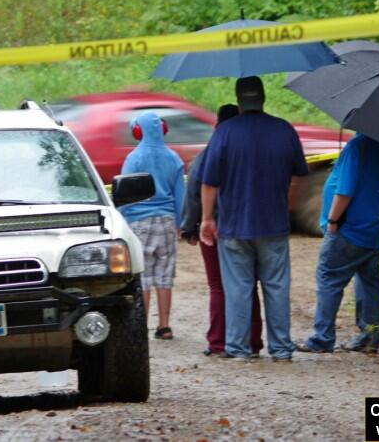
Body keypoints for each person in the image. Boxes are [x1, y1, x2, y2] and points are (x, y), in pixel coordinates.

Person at [200, 76, 308, 362]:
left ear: (238, 100)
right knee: (276, 287)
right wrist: (286, 203)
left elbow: (209, 182)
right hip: (273, 223)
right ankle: (282, 349)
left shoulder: (224, 133)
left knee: (238, 289)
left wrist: (207, 219)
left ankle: (238, 348)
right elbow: (299, 174)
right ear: (263, 98)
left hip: (234, 226)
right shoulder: (284, 130)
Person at [297, 132, 379, 354]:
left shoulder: (357, 146)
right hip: (376, 226)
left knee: (328, 278)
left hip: (351, 227)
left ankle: (322, 339)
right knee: (369, 281)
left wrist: (333, 220)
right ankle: (369, 337)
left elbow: (345, 190)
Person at [181, 103, 264, 357]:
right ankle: (253, 340)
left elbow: (194, 192)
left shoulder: (206, 155)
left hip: (213, 229)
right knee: (247, 284)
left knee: (218, 286)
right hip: (245, 226)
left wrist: (190, 227)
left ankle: (218, 341)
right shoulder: (248, 151)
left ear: (216, 124)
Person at [119, 111, 185, 340]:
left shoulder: (134, 158)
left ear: (138, 131)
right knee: (165, 275)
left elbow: (124, 192)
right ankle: (164, 326)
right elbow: (180, 195)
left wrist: (122, 219)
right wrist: (179, 222)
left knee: (144, 276)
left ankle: (141, 326)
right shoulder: (174, 158)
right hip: (167, 221)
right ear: (162, 130)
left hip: (140, 221)